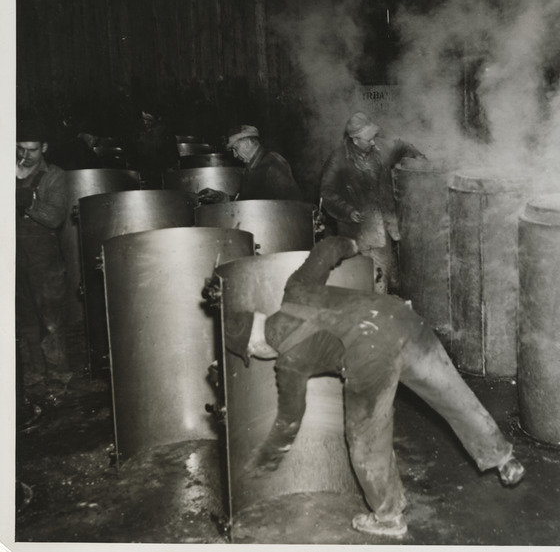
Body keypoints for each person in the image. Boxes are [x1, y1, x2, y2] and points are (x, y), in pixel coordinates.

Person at [223, 236, 525, 538]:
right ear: (259, 317)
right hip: (400, 318)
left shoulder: (287, 363)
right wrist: (353, 244)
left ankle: (389, 517)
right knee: (452, 394)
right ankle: (501, 457)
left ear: (254, 345)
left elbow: (289, 419)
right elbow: (328, 249)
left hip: (370, 356)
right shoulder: (295, 287)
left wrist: (267, 459)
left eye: (252, 353)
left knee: (366, 439)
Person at [320, 112, 424, 293]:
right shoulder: (338, 159)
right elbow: (327, 193)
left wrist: (420, 158)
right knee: (360, 279)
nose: (374, 142)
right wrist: (347, 210)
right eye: (369, 139)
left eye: (374, 137)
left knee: (382, 276)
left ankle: (380, 309)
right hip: (356, 231)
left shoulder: (381, 148)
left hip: (382, 228)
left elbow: (402, 146)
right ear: (355, 140)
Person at [16, 123, 72, 392]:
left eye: (32, 150)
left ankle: (59, 374)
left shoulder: (55, 176)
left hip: (44, 259)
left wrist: (28, 203)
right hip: (16, 256)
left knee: (51, 320)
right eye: (20, 149)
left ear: (45, 148)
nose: (25, 155)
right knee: (24, 318)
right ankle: (34, 373)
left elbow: (55, 217)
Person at [197, 124, 303, 203]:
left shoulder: (273, 165)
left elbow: (294, 205)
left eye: (235, 149)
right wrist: (221, 197)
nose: (234, 155)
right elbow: (245, 202)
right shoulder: (250, 168)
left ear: (247, 144)